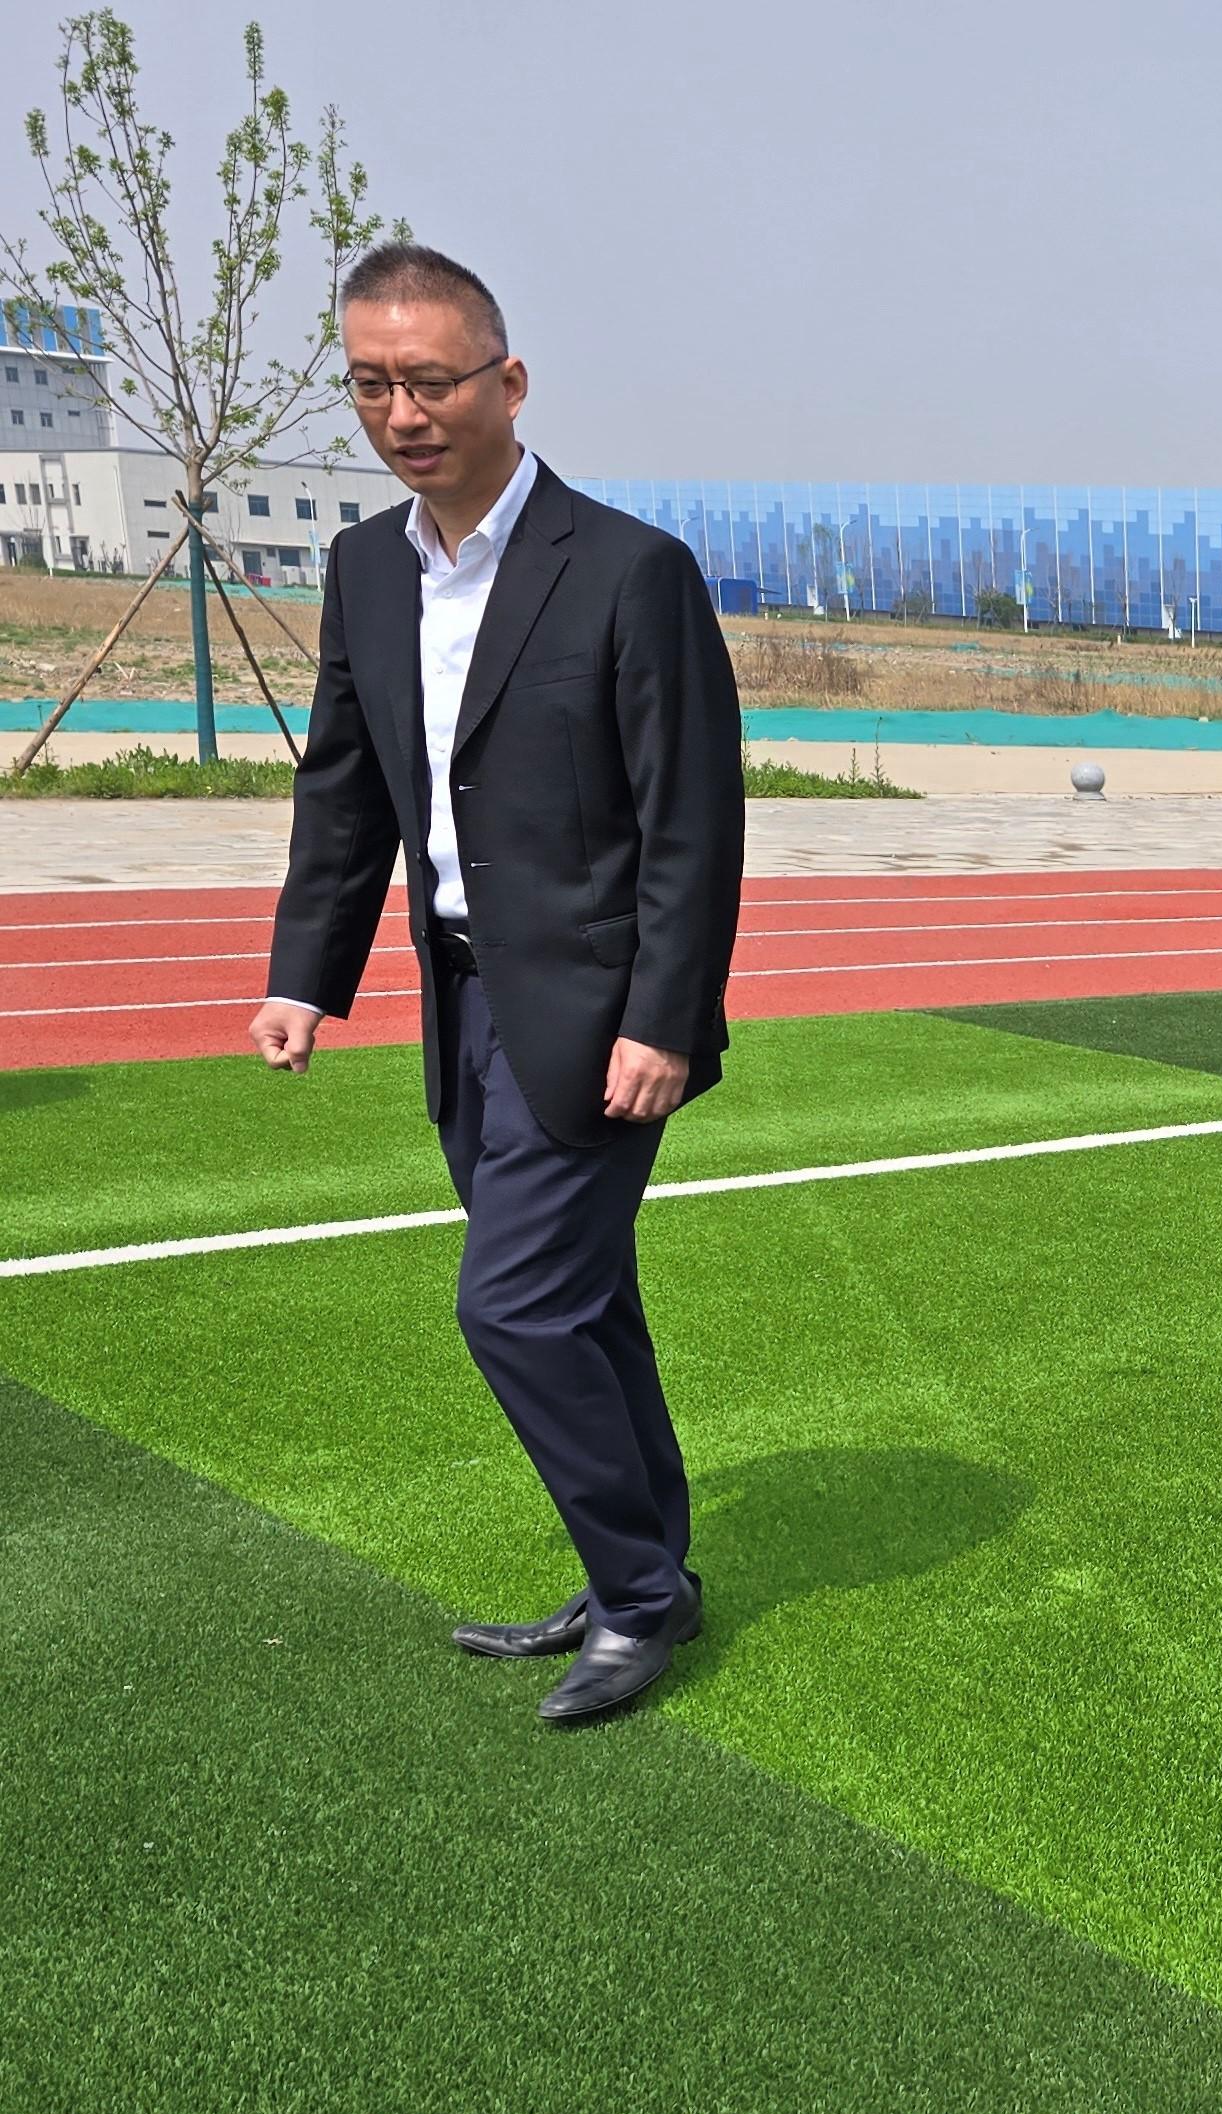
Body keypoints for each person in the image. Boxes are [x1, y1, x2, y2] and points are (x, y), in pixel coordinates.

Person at [250, 243, 742, 1726]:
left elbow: (691, 820)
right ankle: (643, 1569)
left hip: (596, 1018)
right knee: (584, 1305)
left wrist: (664, 1019)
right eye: (370, 385)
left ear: (508, 381)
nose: (402, 413)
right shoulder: (364, 568)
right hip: (459, 1003)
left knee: (517, 1308)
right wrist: (305, 976)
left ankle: (638, 1600)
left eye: (431, 381)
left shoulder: (630, 570)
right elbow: (346, 789)